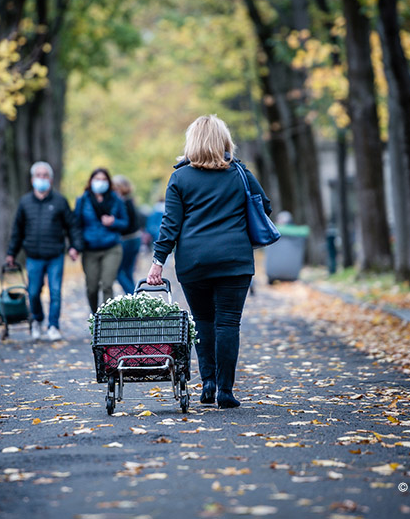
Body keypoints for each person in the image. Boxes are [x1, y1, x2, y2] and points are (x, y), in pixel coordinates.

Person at [146, 114, 272, 409]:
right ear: (223, 141)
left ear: (193, 142)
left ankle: (209, 383)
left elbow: (170, 224)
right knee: (228, 323)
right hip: (234, 260)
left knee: (203, 321)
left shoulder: (180, 177)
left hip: (195, 262)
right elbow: (264, 206)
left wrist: (158, 261)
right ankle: (226, 390)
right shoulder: (240, 173)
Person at [6, 161, 82, 341]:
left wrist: (75, 246)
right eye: (38, 175)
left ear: (51, 179)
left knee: (55, 291)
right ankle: (37, 320)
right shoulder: (25, 202)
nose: (42, 179)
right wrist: (11, 253)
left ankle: (53, 326)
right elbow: (17, 230)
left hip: (55, 254)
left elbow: (72, 226)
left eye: (45, 175)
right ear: (32, 179)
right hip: (33, 256)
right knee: (33, 292)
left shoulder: (59, 201)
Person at [74, 168, 129, 313]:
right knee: (92, 288)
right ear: (91, 181)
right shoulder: (83, 200)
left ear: (109, 182)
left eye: (104, 179)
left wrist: (113, 222)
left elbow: (125, 222)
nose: (100, 182)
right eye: (97, 179)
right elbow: (76, 225)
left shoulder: (115, 199)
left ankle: (106, 323)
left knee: (107, 285)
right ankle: (95, 316)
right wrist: (75, 246)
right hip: (90, 249)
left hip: (111, 248)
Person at [112, 175, 142, 295]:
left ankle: (132, 296)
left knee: (118, 272)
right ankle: (135, 296)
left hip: (127, 240)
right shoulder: (130, 201)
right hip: (135, 239)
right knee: (128, 272)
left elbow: (126, 224)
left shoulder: (123, 202)